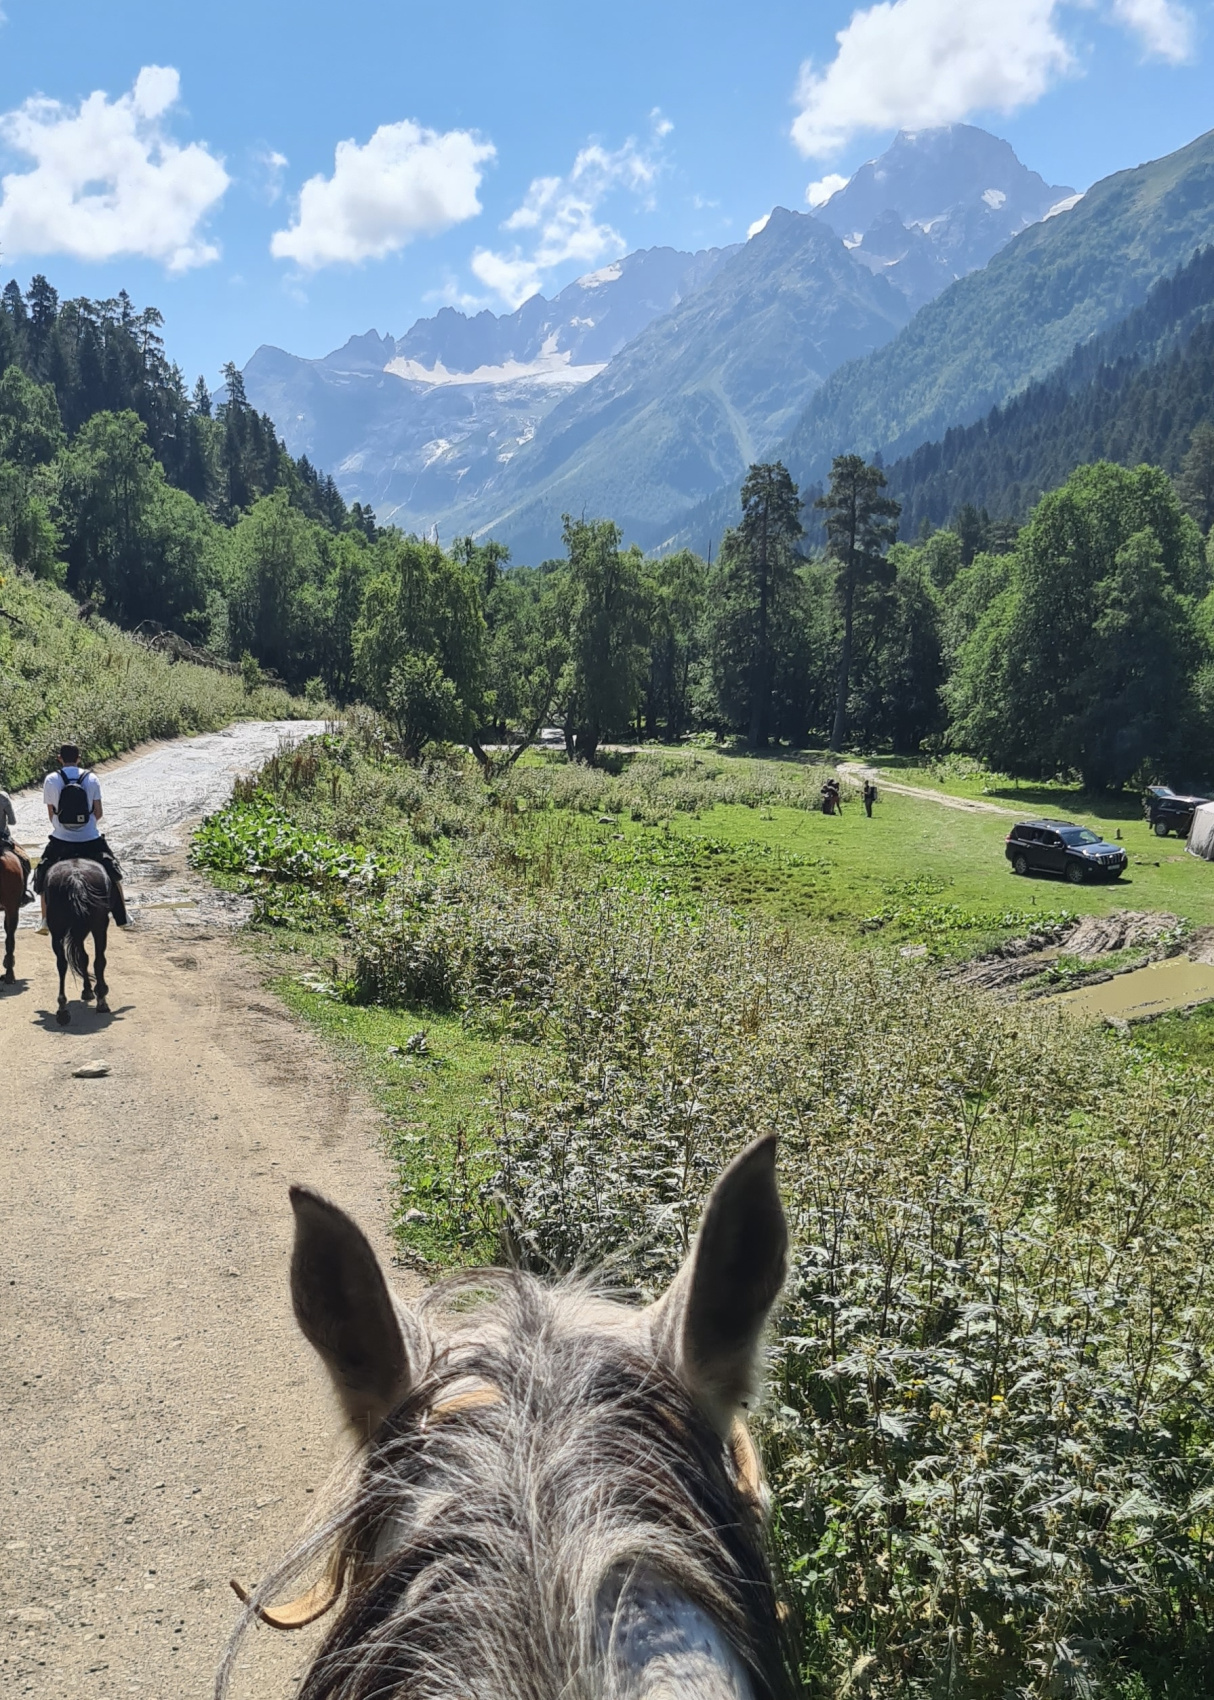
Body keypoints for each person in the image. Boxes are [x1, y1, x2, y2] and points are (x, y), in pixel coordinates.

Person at [33, 743, 128, 931]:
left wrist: (63, 828)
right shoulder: (91, 778)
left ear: (59, 758)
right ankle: (122, 916)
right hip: (90, 839)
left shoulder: (51, 779)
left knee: (43, 872)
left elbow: (51, 814)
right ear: (79, 758)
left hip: (61, 840)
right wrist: (87, 827)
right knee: (113, 871)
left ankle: (44, 919)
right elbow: (98, 812)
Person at [0, 783, 33, 903]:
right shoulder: (3, 797)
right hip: (2, 839)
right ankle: (23, 893)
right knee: (25, 860)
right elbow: (12, 821)